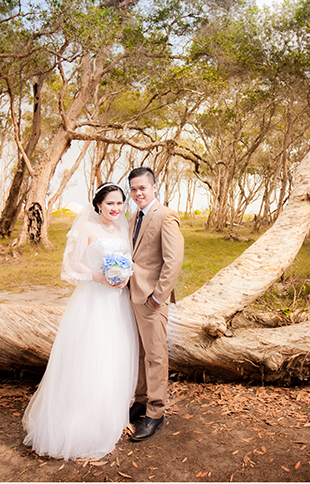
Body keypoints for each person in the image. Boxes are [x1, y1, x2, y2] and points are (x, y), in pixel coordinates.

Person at [22, 183, 138, 460]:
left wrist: (124, 275)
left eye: (119, 203)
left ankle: (109, 413)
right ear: (98, 204)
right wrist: (100, 276)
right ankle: (81, 419)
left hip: (118, 301)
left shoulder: (122, 229)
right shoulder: (87, 227)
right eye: (110, 203)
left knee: (115, 354)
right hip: (95, 299)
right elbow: (73, 265)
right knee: (90, 355)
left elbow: (128, 259)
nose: (115, 208)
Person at [127, 167, 184, 441]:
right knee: (139, 352)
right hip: (132, 295)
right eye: (133, 189)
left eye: (142, 188)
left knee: (156, 356)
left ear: (154, 187)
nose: (138, 193)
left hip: (152, 299)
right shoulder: (133, 217)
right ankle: (141, 400)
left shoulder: (166, 216)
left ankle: (156, 412)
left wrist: (158, 297)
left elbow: (173, 261)